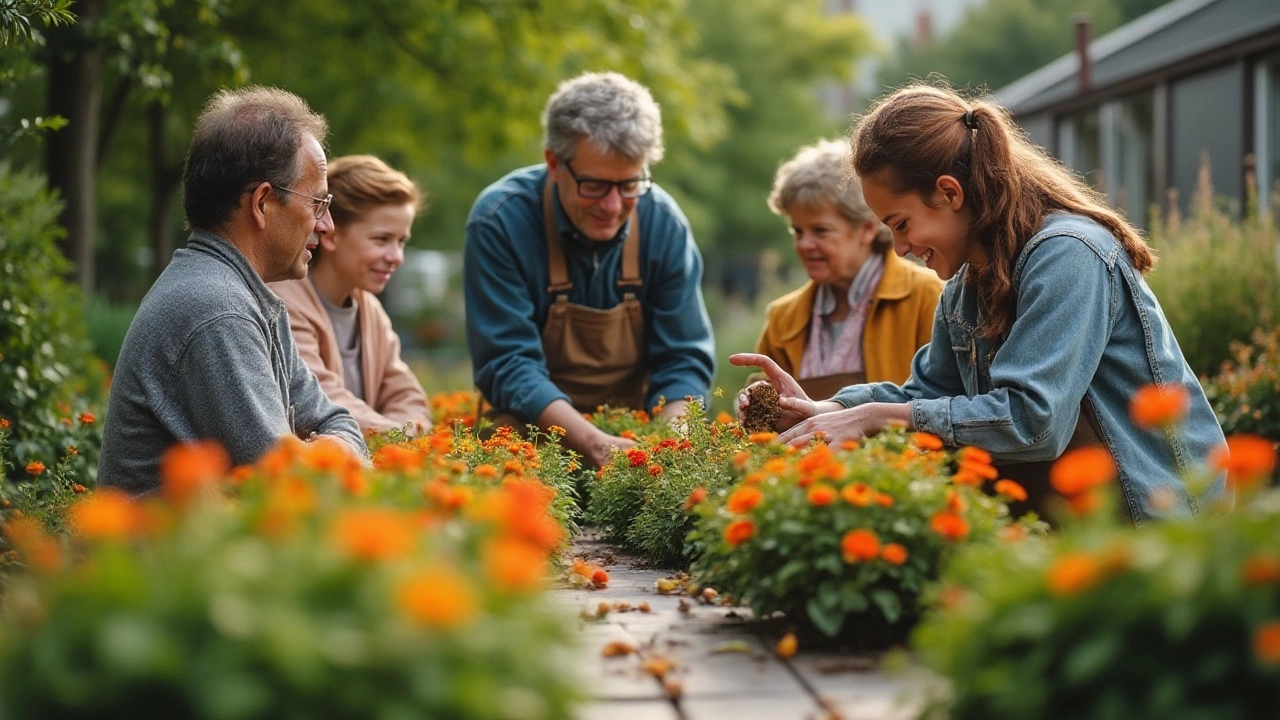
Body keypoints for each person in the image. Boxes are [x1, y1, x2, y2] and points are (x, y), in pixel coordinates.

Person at [734, 84, 1226, 521]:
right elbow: (926, 394)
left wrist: (871, 418)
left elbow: (1033, 423)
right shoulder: (964, 287)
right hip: (1079, 525)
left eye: (901, 224)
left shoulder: (1068, 254)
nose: (899, 247)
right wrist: (824, 410)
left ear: (948, 193)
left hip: (1162, 525)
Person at [99, 86, 367, 494]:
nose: (327, 226)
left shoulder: (236, 292)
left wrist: (328, 448)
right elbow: (288, 485)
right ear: (261, 203)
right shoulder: (218, 310)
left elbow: (338, 421)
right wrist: (325, 454)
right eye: (317, 203)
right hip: (166, 557)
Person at [464, 72, 715, 467]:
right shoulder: (500, 220)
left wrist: (672, 443)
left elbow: (683, 358)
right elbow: (508, 363)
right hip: (532, 434)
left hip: (637, 428)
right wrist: (594, 443)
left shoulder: (663, 222)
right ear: (553, 162)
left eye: (630, 184)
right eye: (595, 185)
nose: (613, 206)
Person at [753, 139, 943, 400]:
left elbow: (946, 400)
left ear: (866, 229)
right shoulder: (783, 318)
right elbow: (763, 414)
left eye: (820, 231)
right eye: (798, 231)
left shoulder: (928, 297)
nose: (805, 244)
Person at [270, 155, 432, 435]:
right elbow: (320, 400)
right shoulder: (285, 305)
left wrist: (402, 435)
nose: (396, 257)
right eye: (381, 239)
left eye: (401, 241)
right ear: (331, 234)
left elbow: (407, 396)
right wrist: (401, 436)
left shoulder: (370, 311)